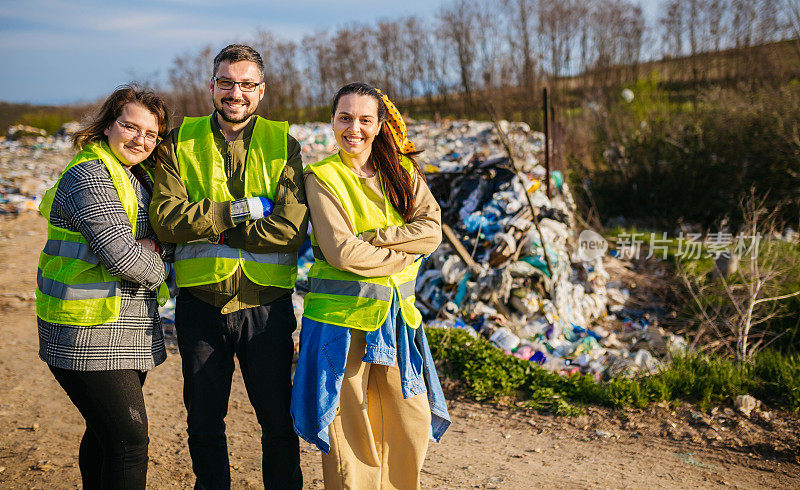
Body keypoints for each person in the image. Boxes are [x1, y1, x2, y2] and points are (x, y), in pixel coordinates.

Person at [149, 44, 307, 489]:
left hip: (267, 308)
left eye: (246, 84)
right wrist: (239, 213)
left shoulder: (284, 143)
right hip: (201, 306)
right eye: (226, 82)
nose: (235, 92)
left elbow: (291, 230)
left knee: (278, 423)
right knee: (203, 421)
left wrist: (207, 224)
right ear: (211, 86)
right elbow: (166, 219)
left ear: (261, 90)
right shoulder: (180, 141)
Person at [291, 82, 451, 490]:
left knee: (409, 421)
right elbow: (343, 252)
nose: (354, 129)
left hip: (397, 321)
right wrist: (404, 252)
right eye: (345, 118)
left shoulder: (402, 172)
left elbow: (431, 234)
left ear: (380, 124)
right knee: (351, 434)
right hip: (340, 326)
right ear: (332, 121)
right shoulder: (322, 177)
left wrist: (376, 237)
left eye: (365, 119)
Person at [36, 85, 172, 489]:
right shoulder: (91, 175)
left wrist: (154, 247)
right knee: (129, 442)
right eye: (130, 127)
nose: (140, 140)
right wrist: (162, 260)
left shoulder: (133, 175)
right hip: (87, 329)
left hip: (122, 327)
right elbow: (122, 257)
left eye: (151, 134)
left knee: (105, 437)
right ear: (108, 125)